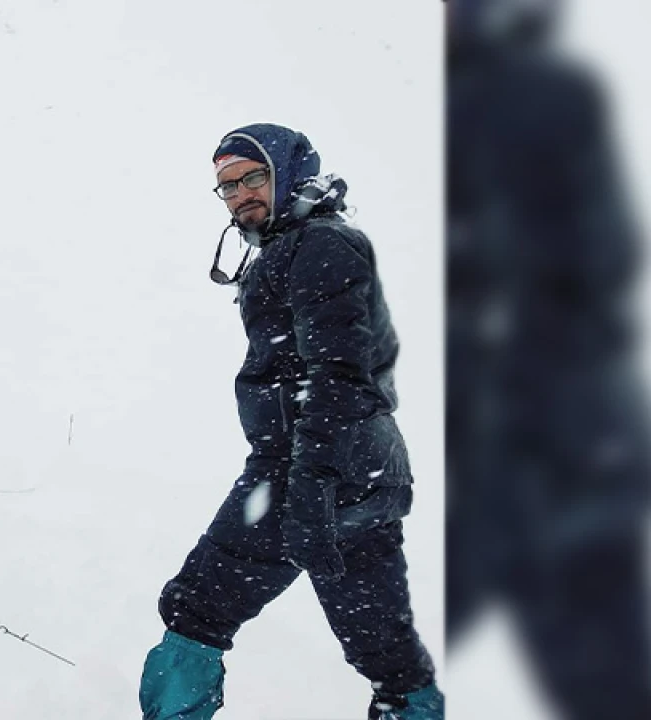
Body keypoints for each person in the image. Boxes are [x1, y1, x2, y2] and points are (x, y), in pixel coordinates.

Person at [138, 123, 443, 719]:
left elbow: (337, 373)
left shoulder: (319, 245)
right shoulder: (300, 244)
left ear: (290, 173)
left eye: (254, 177)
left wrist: (310, 484)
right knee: (381, 641)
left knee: (197, 609)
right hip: (365, 470)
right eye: (227, 186)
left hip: (309, 464)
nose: (240, 194)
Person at [446, 1, 651, 716]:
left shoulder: (542, 97)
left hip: (564, 442)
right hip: (506, 448)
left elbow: (600, 258)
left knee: (603, 679)